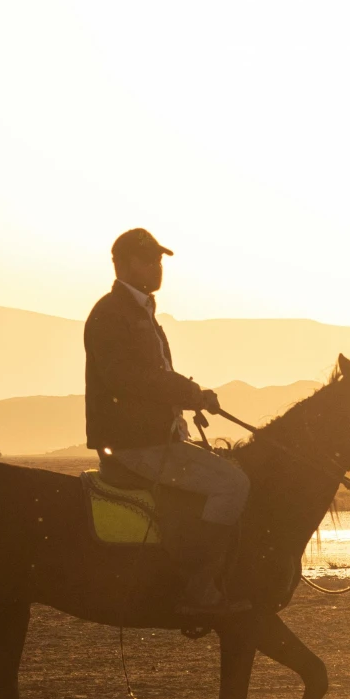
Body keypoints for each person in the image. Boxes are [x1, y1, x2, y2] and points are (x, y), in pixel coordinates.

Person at [84, 228, 251, 614]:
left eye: (159, 260)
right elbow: (128, 377)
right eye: (148, 260)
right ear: (122, 264)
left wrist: (188, 396)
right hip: (136, 444)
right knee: (233, 483)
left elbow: (150, 376)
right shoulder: (111, 314)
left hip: (157, 438)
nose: (157, 267)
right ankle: (198, 587)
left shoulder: (141, 312)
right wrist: (189, 392)